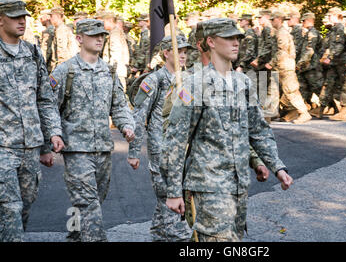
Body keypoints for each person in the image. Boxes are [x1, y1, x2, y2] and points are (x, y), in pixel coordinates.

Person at [164, 18, 293, 242]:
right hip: (208, 187)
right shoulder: (195, 85)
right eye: (229, 38)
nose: (236, 43)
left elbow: (258, 131)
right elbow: (176, 140)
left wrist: (277, 167)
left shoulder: (243, 83)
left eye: (237, 38)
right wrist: (174, 191)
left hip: (239, 185)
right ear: (211, 42)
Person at [49, 18, 135, 242]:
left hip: (103, 148)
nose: (100, 39)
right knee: (89, 203)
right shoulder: (65, 71)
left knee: (93, 198)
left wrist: (126, 125)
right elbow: (49, 106)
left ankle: (75, 233)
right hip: (76, 148)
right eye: (94, 35)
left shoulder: (108, 71)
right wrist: (53, 134)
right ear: (79, 39)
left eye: (102, 36)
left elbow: (118, 104)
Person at [0, 0, 64, 242]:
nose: (22, 21)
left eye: (24, 16)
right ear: (0, 19)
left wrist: (52, 136)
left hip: (30, 147)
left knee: (25, 204)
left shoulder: (32, 52)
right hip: (3, 146)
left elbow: (44, 99)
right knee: (10, 207)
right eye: (15, 17)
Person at [128, 35, 193, 242]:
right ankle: (178, 237)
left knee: (169, 197)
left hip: (184, 148)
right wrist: (133, 151)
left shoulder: (189, 79)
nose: (183, 55)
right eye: (178, 51)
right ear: (167, 53)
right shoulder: (154, 80)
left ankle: (159, 234)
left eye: (185, 51)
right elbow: (139, 116)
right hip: (162, 147)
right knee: (170, 197)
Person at [269, 10, 311, 124]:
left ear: (278, 19)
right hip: (280, 66)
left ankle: (304, 113)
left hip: (285, 66)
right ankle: (272, 113)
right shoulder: (279, 32)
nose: (271, 22)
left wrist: (271, 63)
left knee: (291, 91)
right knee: (274, 90)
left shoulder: (282, 33)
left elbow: (281, 51)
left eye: (272, 19)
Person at [296, 12, 324, 107]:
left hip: (312, 66)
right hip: (307, 66)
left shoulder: (312, 33)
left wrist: (300, 64)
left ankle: (334, 106)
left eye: (303, 21)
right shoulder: (308, 33)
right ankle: (304, 107)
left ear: (309, 21)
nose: (302, 23)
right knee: (303, 87)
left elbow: (309, 51)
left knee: (317, 87)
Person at [47, 6, 79, 72]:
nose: (50, 19)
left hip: (63, 69)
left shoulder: (62, 31)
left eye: (51, 16)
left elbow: (61, 54)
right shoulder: (57, 30)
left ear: (58, 17)